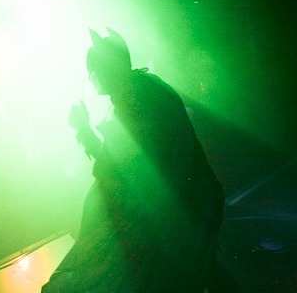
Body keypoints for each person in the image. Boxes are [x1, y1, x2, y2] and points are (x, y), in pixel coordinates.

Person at [43, 29, 236, 292]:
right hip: (193, 206)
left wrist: (84, 130)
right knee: (199, 272)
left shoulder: (132, 99)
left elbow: (116, 171)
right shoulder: (145, 87)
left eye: (93, 69)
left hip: (181, 212)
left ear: (108, 69)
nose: (90, 77)